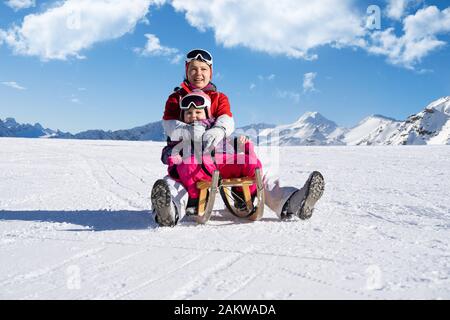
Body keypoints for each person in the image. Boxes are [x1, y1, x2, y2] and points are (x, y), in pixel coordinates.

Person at [151, 48, 325, 227]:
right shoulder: (176, 98)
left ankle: (292, 202)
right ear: (187, 71)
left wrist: (218, 130)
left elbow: (227, 119)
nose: (198, 74)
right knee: (174, 183)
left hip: (218, 156)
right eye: (193, 69)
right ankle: (169, 209)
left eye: (203, 69)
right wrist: (188, 131)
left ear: (210, 72)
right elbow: (170, 124)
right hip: (188, 160)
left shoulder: (219, 98)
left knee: (259, 172)